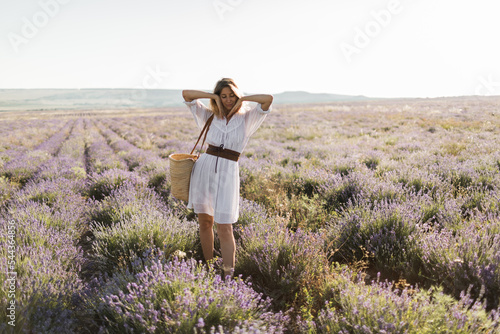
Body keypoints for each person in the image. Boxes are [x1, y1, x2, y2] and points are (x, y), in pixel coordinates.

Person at [182, 78, 273, 278]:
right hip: (204, 168)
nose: (228, 100)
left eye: (231, 95)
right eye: (223, 96)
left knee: (225, 225)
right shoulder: (208, 115)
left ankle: (228, 275)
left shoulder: (248, 118)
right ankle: (208, 266)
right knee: (205, 221)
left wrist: (242, 99)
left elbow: (268, 99)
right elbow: (186, 94)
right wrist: (212, 97)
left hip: (228, 172)